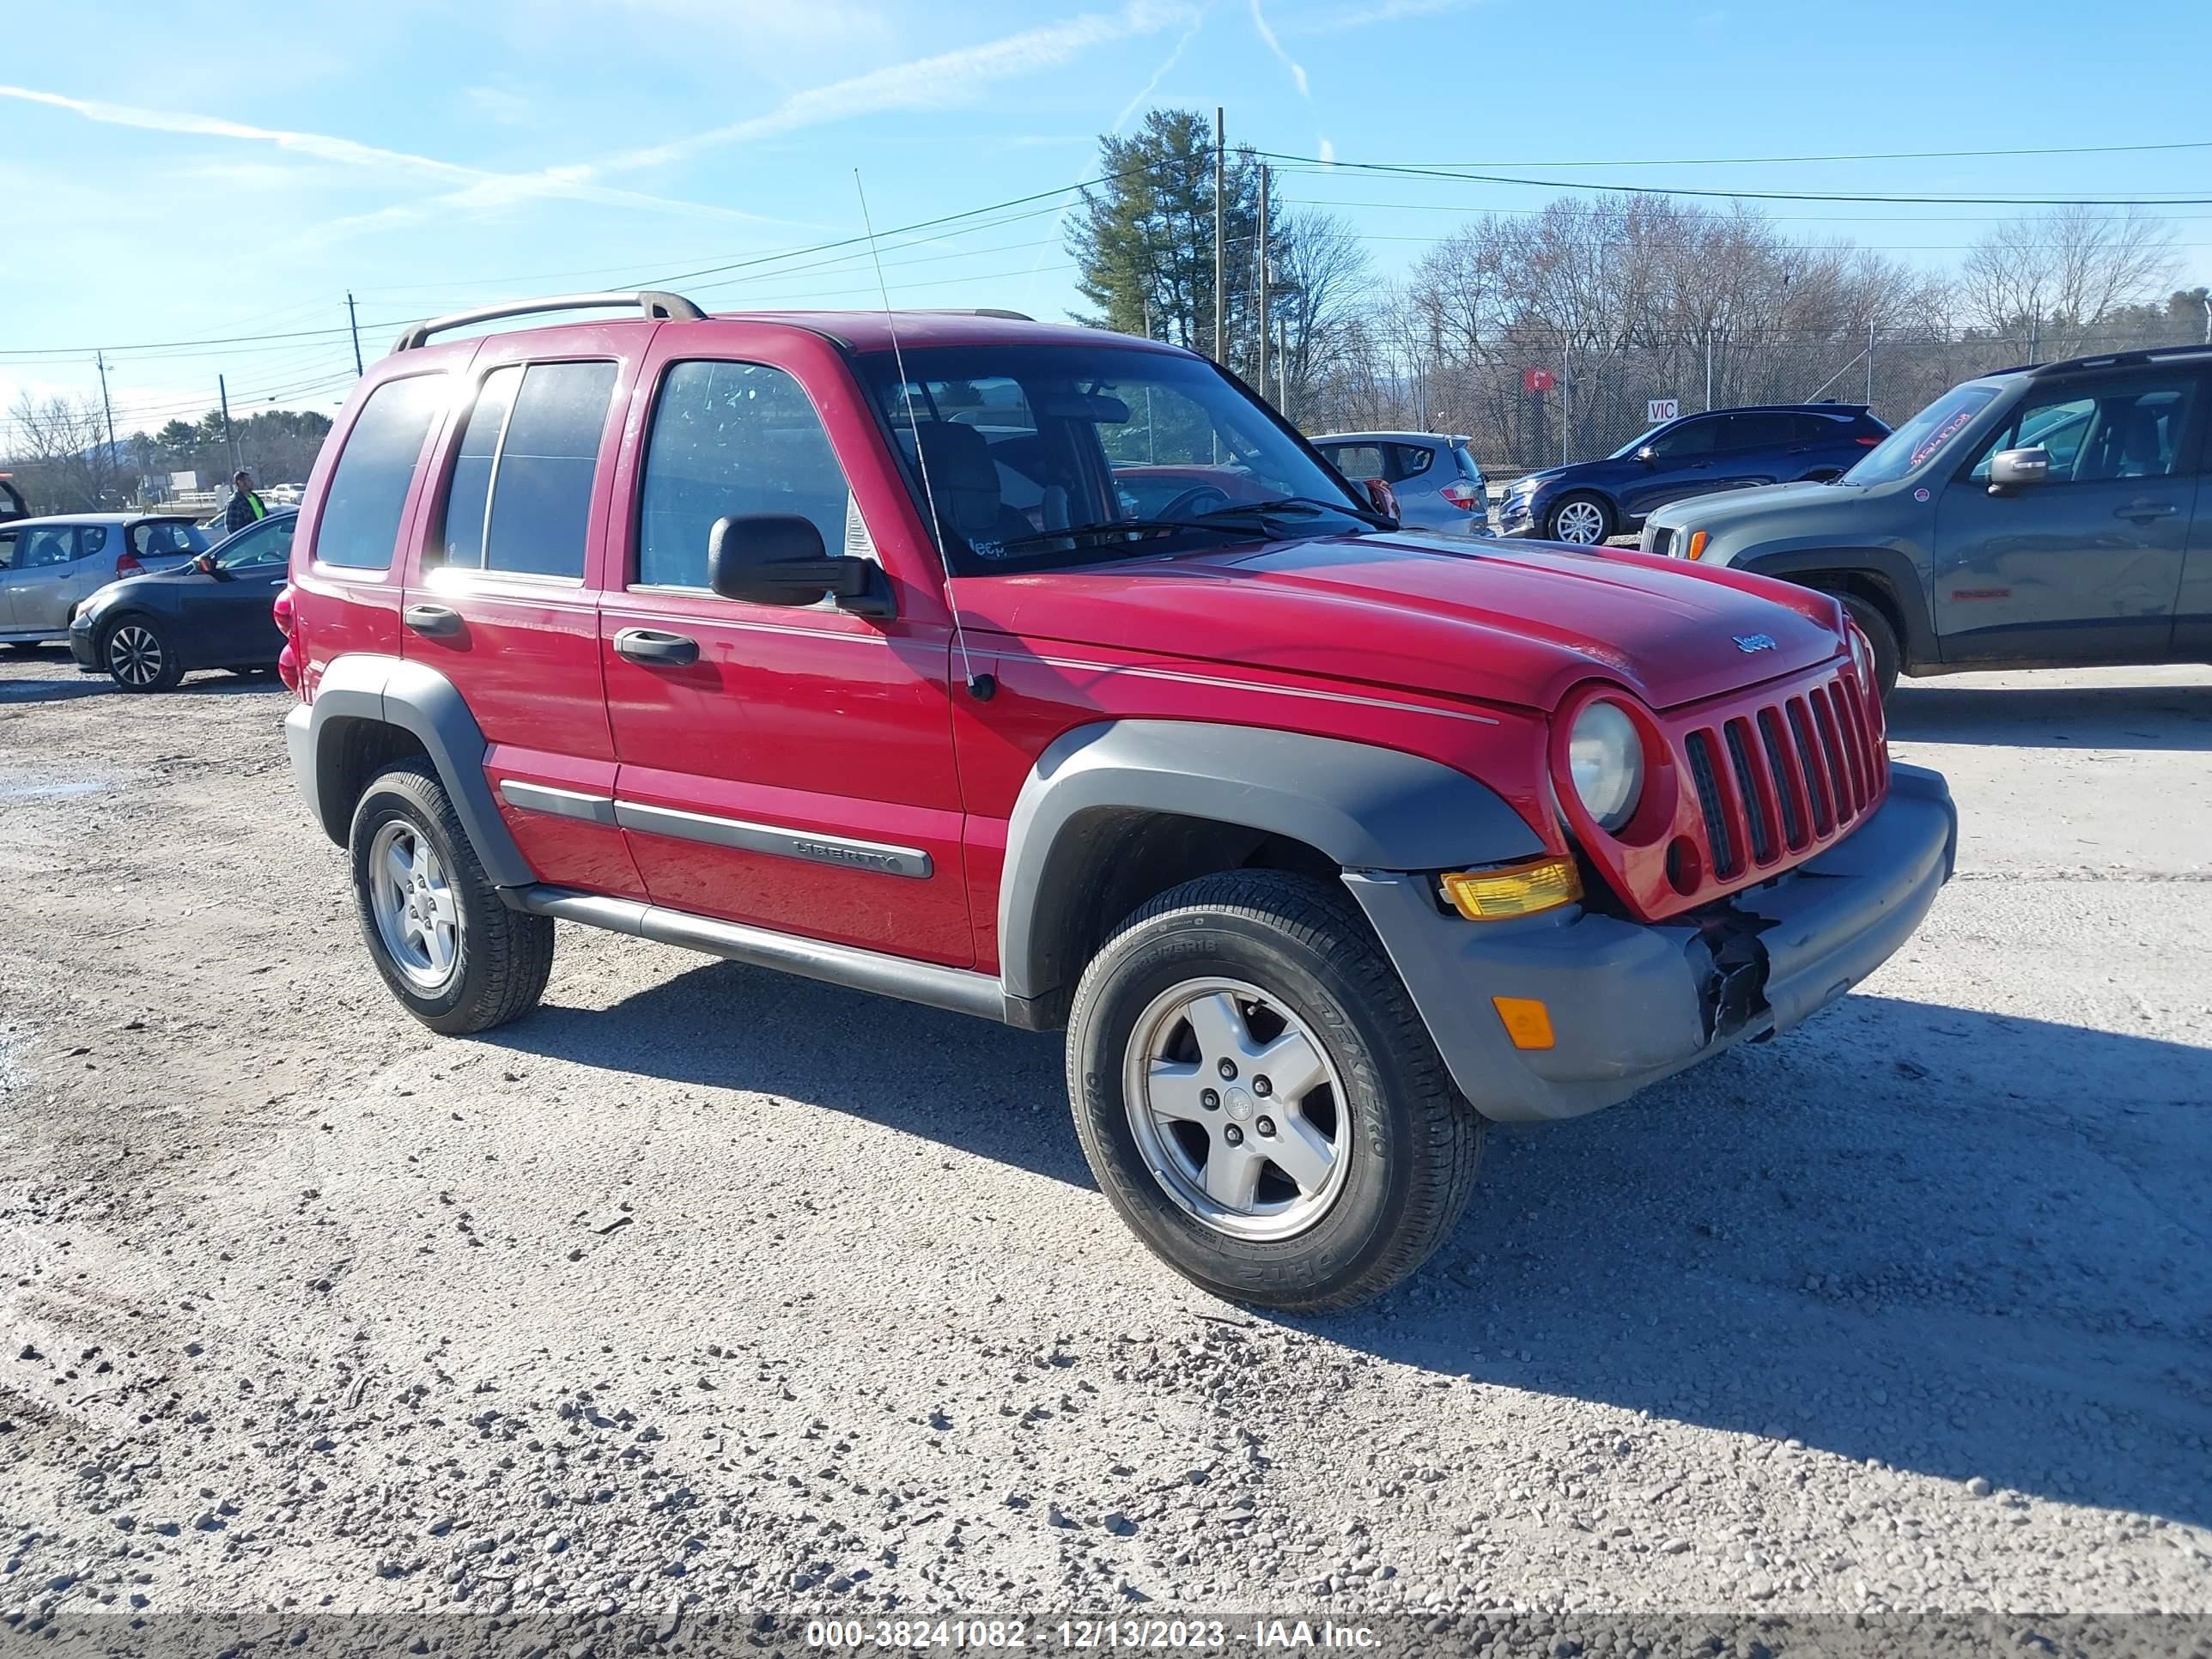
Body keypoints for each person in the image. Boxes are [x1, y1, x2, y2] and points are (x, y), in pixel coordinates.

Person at [224, 470, 267, 534]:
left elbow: (265, 516)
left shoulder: (255, 497)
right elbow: (232, 529)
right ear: (240, 483)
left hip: (263, 536)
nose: (252, 482)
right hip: (250, 540)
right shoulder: (235, 503)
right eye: (248, 480)